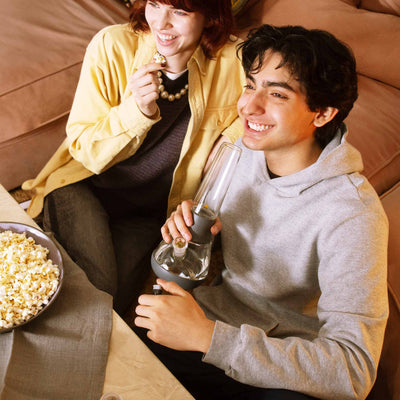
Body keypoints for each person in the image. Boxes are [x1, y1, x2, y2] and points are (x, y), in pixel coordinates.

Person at [134, 25, 389, 399]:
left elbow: (354, 368)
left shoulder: (353, 214)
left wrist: (209, 338)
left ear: (322, 113)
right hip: (212, 321)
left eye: (277, 94)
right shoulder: (241, 151)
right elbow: (210, 232)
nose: (249, 106)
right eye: (251, 85)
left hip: (284, 357)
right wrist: (193, 227)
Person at [22, 0, 245, 315]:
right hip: (84, 185)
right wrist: (137, 111)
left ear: (209, 17)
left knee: (111, 305)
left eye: (179, 12)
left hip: (146, 215)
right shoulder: (113, 45)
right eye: (154, 4)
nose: (162, 23)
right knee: (97, 289)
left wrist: (224, 143)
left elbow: (259, 114)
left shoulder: (235, 61)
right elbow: (84, 149)